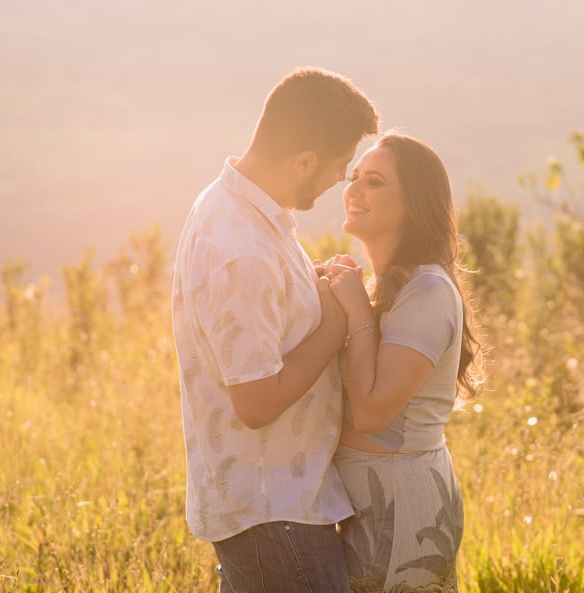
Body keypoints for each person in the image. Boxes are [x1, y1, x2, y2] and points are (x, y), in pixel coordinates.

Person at [171, 67, 380, 593]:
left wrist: (311, 287)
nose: (342, 180)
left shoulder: (247, 213)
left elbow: (263, 323)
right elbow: (257, 401)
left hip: (281, 507)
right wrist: (335, 324)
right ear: (304, 160)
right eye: (338, 166)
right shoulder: (239, 248)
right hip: (275, 516)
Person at [321, 131, 483, 593]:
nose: (354, 189)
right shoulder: (385, 286)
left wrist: (354, 310)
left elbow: (372, 413)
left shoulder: (427, 292)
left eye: (374, 181)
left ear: (414, 203)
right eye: (354, 177)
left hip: (398, 510)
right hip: (368, 503)